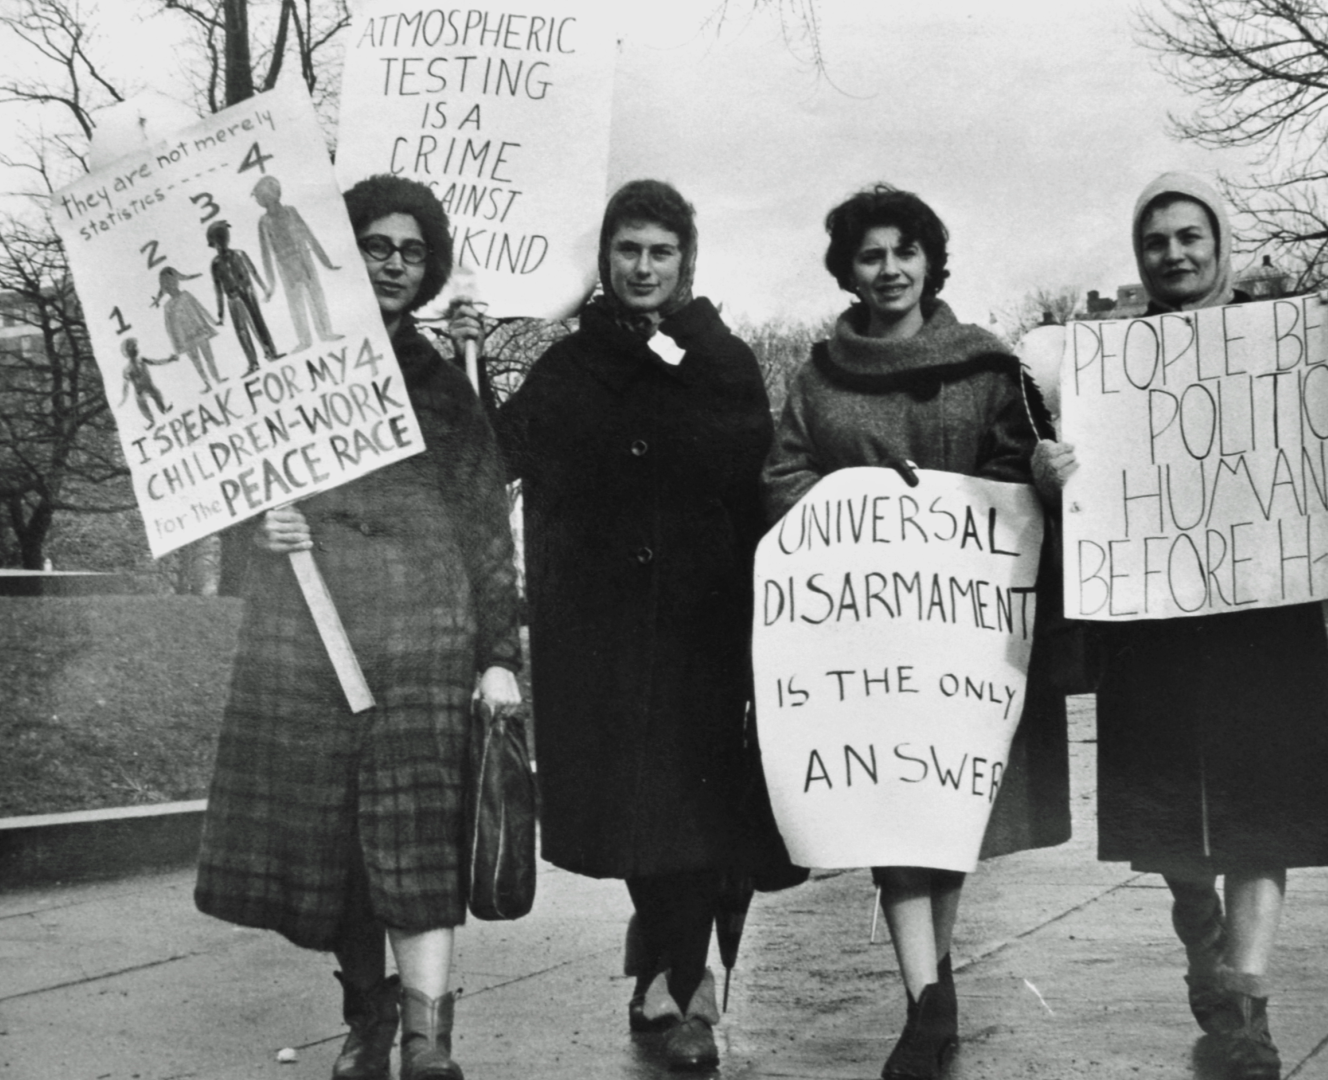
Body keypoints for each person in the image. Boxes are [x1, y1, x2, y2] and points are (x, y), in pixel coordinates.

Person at [1033, 172, 1328, 1080]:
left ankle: (1243, 1000)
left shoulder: (1295, 344)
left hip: (1264, 620)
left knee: (1262, 809)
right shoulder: (1105, 367)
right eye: (1154, 239)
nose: (1173, 252)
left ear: (1220, 244)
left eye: (1188, 235)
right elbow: (1075, 484)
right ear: (1139, 256)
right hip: (1151, 620)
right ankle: (1199, 923)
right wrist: (1057, 470)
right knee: (1168, 829)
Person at [196, 173, 521, 1080]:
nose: (395, 264)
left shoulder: (445, 382)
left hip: (424, 624)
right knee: (335, 846)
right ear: (346, 250)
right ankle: (368, 1017)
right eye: (377, 245)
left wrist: (499, 655)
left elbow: (488, 527)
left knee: (415, 835)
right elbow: (234, 481)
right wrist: (264, 528)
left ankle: (428, 1041)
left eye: (414, 253)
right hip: (312, 620)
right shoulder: (292, 366)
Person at [761, 183, 1069, 1080]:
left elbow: (1020, 476)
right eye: (870, 255)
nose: (889, 269)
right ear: (847, 271)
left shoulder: (986, 366)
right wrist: (854, 505)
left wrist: (952, 508)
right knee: (888, 812)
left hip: (963, 636)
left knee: (948, 811)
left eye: (904, 251)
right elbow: (782, 480)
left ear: (932, 259)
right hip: (865, 637)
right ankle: (923, 1000)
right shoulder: (818, 378)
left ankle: (934, 994)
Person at [495, 179, 787, 1072]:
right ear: (605, 257)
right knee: (631, 810)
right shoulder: (564, 368)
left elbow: (757, 489)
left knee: (693, 805)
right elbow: (494, 457)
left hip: (702, 629)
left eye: (661, 251)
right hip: (598, 632)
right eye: (629, 249)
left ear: (685, 260)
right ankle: (659, 960)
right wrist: (472, 356)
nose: (644, 267)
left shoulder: (723, 361)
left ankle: (689, 989)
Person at [253, 173, 345, 352]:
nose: (263, 200)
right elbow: (266, 255)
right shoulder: (263, 222)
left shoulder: (291, 211)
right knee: (295, 303)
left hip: (304, 260)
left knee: (316, 296)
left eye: (262, 195)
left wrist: (326, 262)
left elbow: (309, 235)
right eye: (260, 197)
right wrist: (270, 285)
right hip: (285, 265)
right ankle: (304, 340)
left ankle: (326, 332)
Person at [207, 218, 282, 375]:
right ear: (213, 242)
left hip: (248, 292)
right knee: (241, 330)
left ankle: (271, 352)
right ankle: (253, 363)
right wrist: (221, 314)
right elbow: (218, 289)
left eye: (224, 237)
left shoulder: (240, 254)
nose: (222, 242)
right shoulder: (216, 264)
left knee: (258, 322)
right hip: (233, 298)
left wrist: (264, 288)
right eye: (218, 238)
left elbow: (253, 271)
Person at [154, 266, 224, 391]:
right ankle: (207, 383)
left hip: (199, 330)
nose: (169, 286)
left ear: (176, 281)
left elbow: (200, 308)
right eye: (166, 284)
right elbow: (169, 328)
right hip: (185, 338)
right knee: (196, 361)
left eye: (171, 281)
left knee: (208, 356)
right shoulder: (168, 306)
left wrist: (213, 321)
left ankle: (217, 378)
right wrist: (175, 345)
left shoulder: (186, 295)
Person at [117, 336, 174, 426]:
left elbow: (156, 362)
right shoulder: (127, 369)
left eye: (135, 347)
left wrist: (169, 360)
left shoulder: (142, 360)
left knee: (157, 395)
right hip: (140, 392)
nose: (136, 349)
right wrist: (123, 399)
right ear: (128, 352)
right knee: (142, 405)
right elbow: (125, 386)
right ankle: (151, 420)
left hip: (150, 386)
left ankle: (163, 409)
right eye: (133, 347)